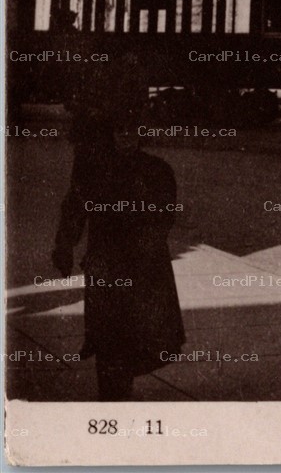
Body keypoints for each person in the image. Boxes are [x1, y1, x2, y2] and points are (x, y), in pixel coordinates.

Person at [51, 109, 184, 399]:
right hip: (109, 266)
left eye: (131, 129)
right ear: (109, 133)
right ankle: (113, 393)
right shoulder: (96, 170)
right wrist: (64, 245)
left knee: (138, 335)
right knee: (110, 338)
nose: (125, 136)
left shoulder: (157, 171)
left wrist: (143, 251)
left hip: (140, 267)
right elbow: (75, 207)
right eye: (119, 130)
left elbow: (164, 217)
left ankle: (117, 388)